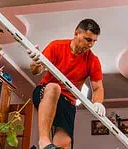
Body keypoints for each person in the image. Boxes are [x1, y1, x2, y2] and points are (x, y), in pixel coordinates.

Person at [28, 18, 106, 149]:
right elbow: (36, 71)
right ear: (76, 33)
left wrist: (98, 102)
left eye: (94, 41)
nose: (91, 44)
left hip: (68, 102)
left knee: (64, 143)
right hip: (45, 93)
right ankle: (44, 142)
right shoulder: (56, 46)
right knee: (54, 87)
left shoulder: (93, 60)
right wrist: (36, 63)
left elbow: (98, 87)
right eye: (88, 39)